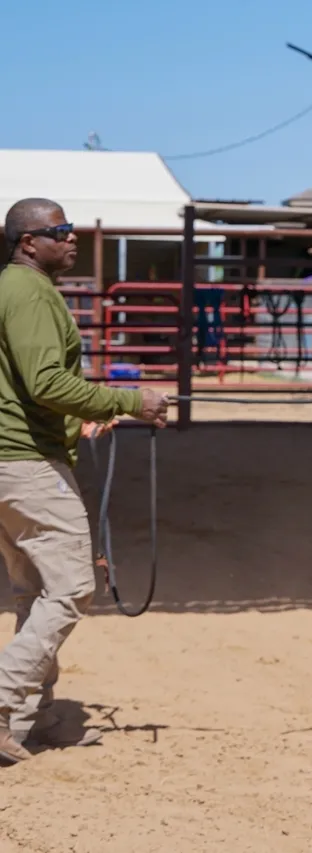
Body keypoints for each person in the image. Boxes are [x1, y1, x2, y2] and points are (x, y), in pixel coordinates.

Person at [0, 198, 169, 766]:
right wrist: (131, 399)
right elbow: (45, 381)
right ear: (29, 242)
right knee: (71, 588)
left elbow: (26, 387)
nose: (72, 239)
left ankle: (33, 720)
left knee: (38, 592)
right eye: (61, 231)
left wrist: (80, 416)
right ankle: (2, 704)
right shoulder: (28, 293)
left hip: (15, 459)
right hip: (26, 464)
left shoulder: (15, 290)